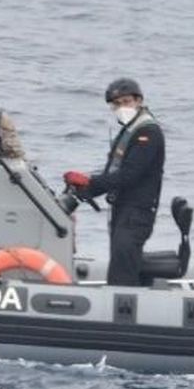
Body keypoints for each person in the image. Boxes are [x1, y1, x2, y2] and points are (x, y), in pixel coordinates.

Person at [62, 77, 166, 287]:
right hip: (122, 209)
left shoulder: (148, 132)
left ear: (138, 100)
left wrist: (92, 184)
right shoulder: (130, 130)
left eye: (126, 102)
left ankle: (125, 311)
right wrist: (87, 185)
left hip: (136, 212)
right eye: (116, 104)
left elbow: (129, 174)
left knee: (123, 271)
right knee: (120, 262)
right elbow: (114, 170)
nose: (121, 108)